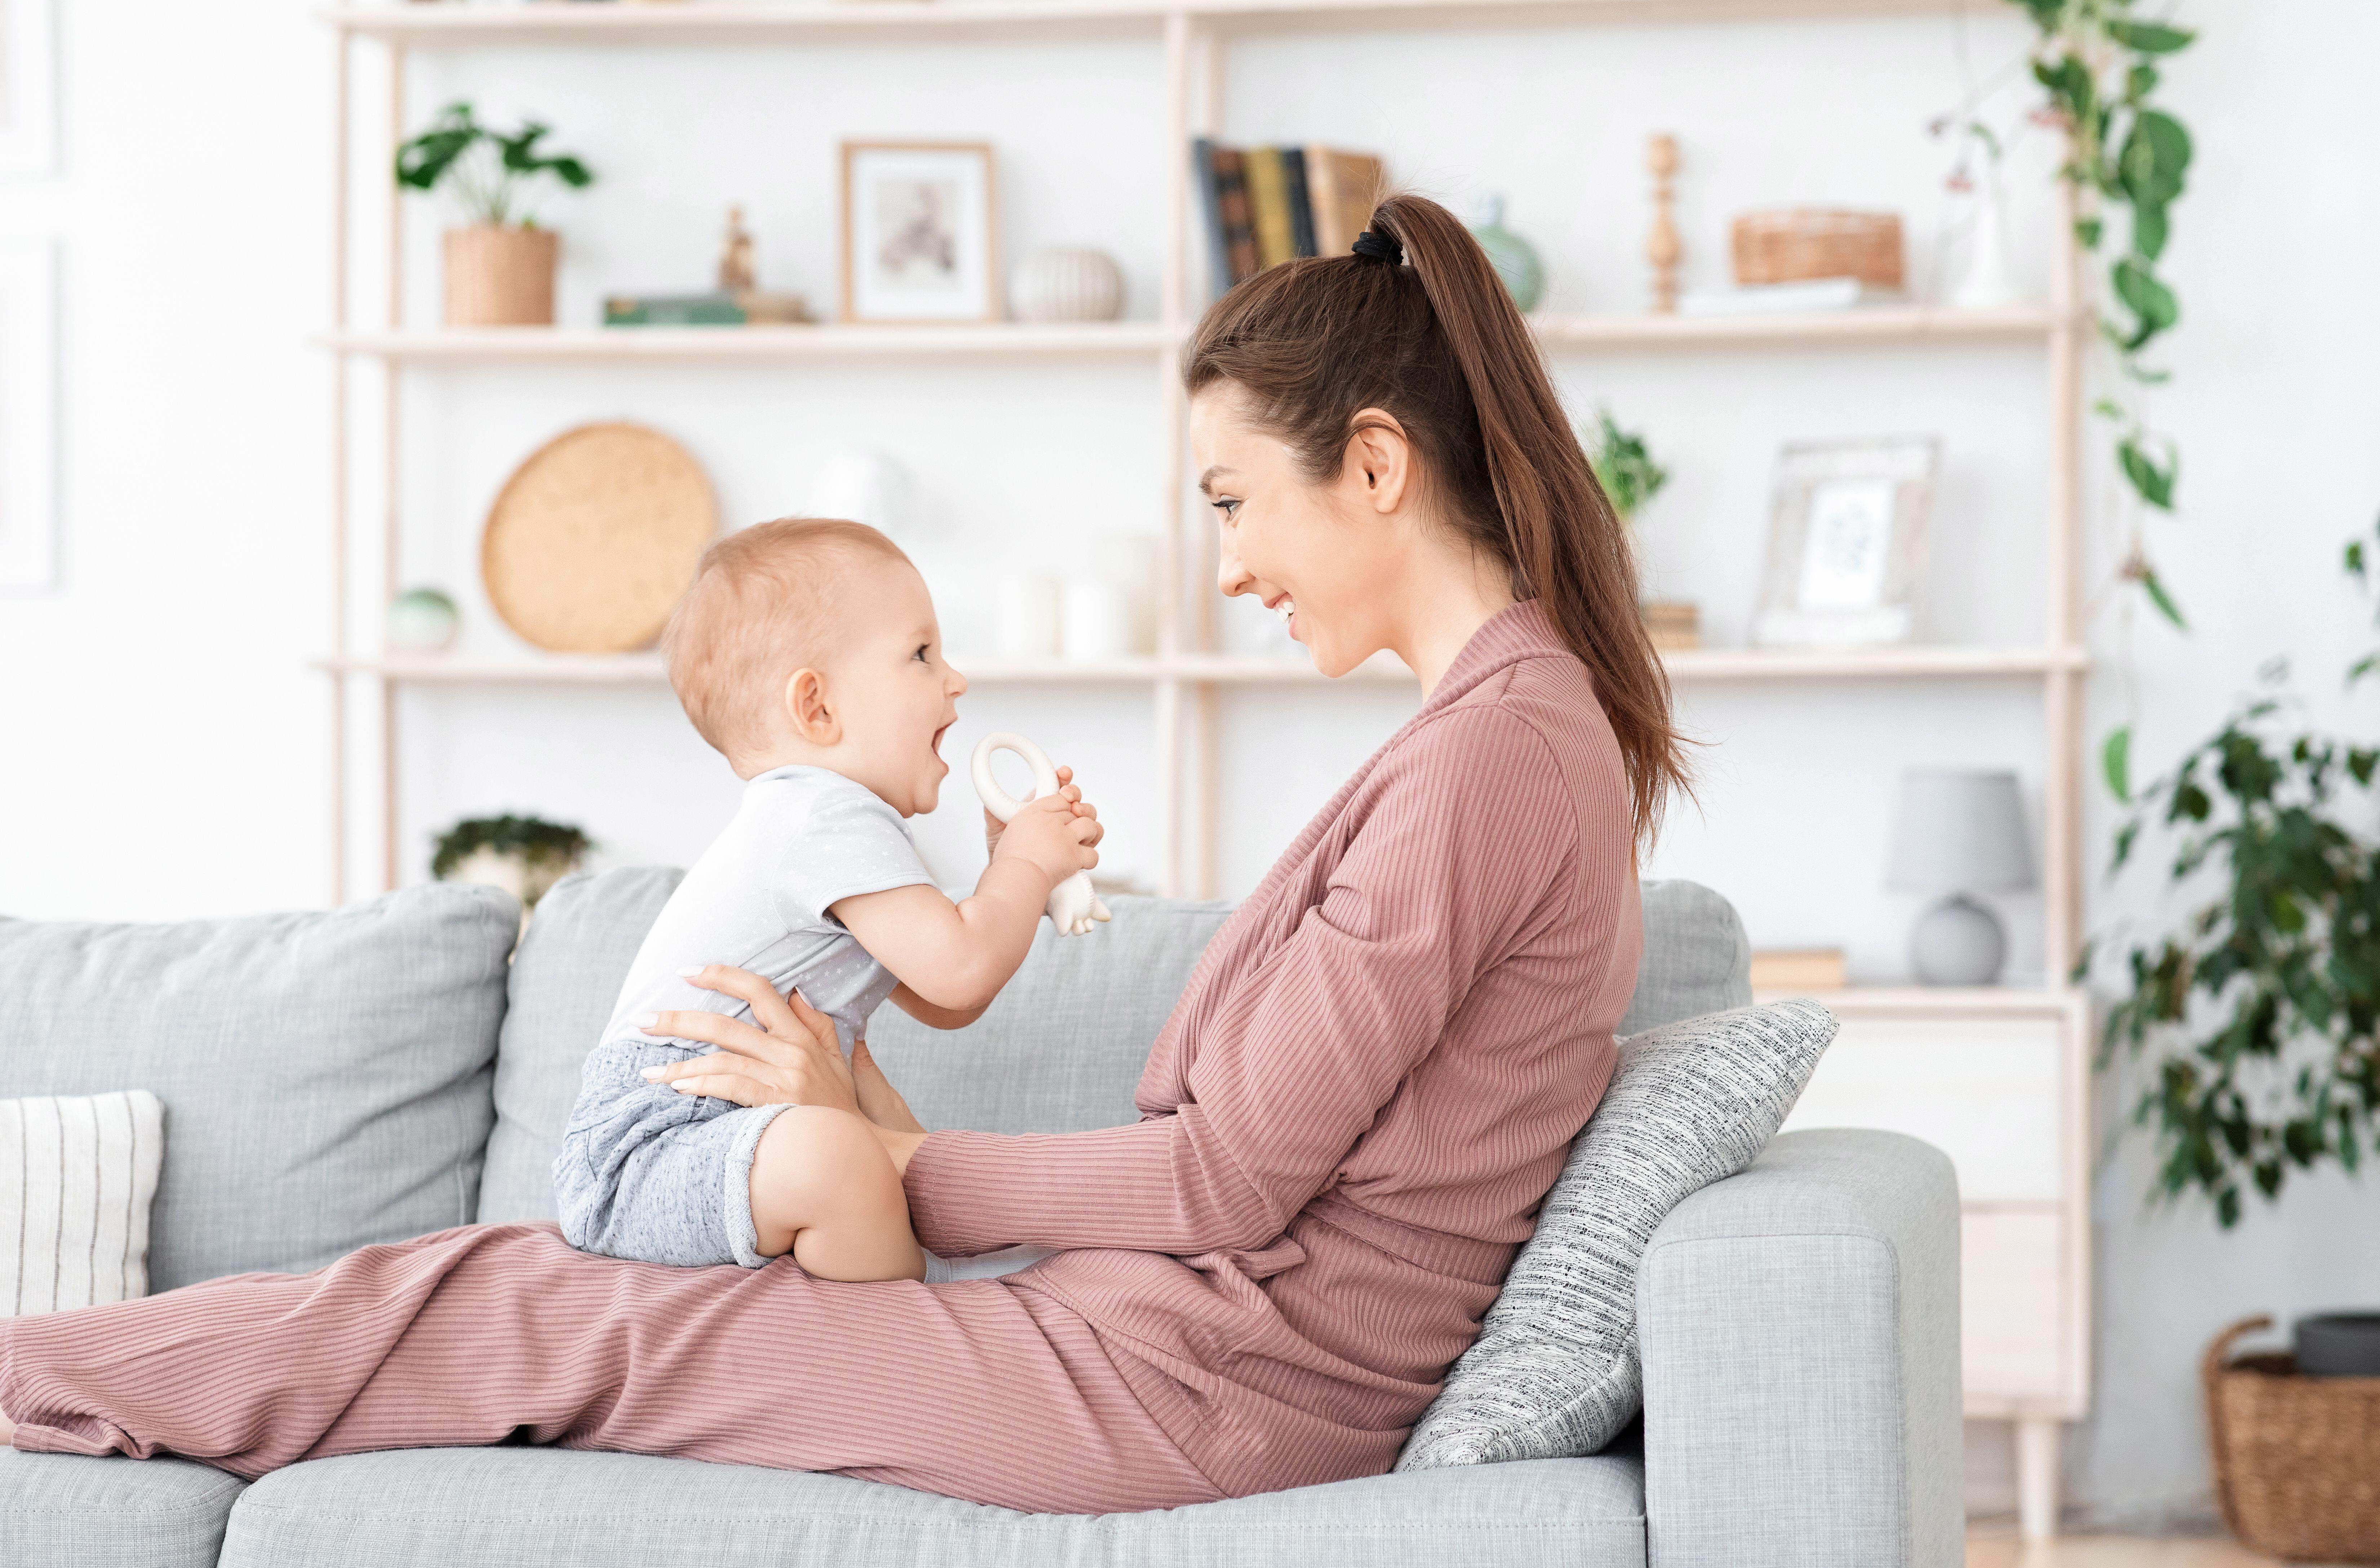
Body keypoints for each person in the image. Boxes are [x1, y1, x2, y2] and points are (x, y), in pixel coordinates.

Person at [0, 193, 1690, 1517]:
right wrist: (875, 1142)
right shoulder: (1501, 735)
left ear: (1376, 463)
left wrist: (888, 1160)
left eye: (1233, 500)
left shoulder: (1488, 759)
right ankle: (48, 1375)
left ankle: (31, 1377)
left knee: (531, 1301)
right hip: (1176, 1339)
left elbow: (1221, 1185)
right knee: (511, 1278)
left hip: (1204, 1387)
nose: (1229, 563)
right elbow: (1240, 1166)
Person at [554, 516, 1096, 1284]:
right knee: (839, 1157)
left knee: (862, 1154)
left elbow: (947, 999)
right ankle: (905, 1342)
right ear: (816, 709)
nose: (956, 679)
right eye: (920, 654)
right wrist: (1029, 865)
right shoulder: (819, 813)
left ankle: (919, 1304)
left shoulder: (828, 832)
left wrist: (1005, 869)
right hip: (650, 1146)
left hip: (715, 1132)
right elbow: (962, 968)